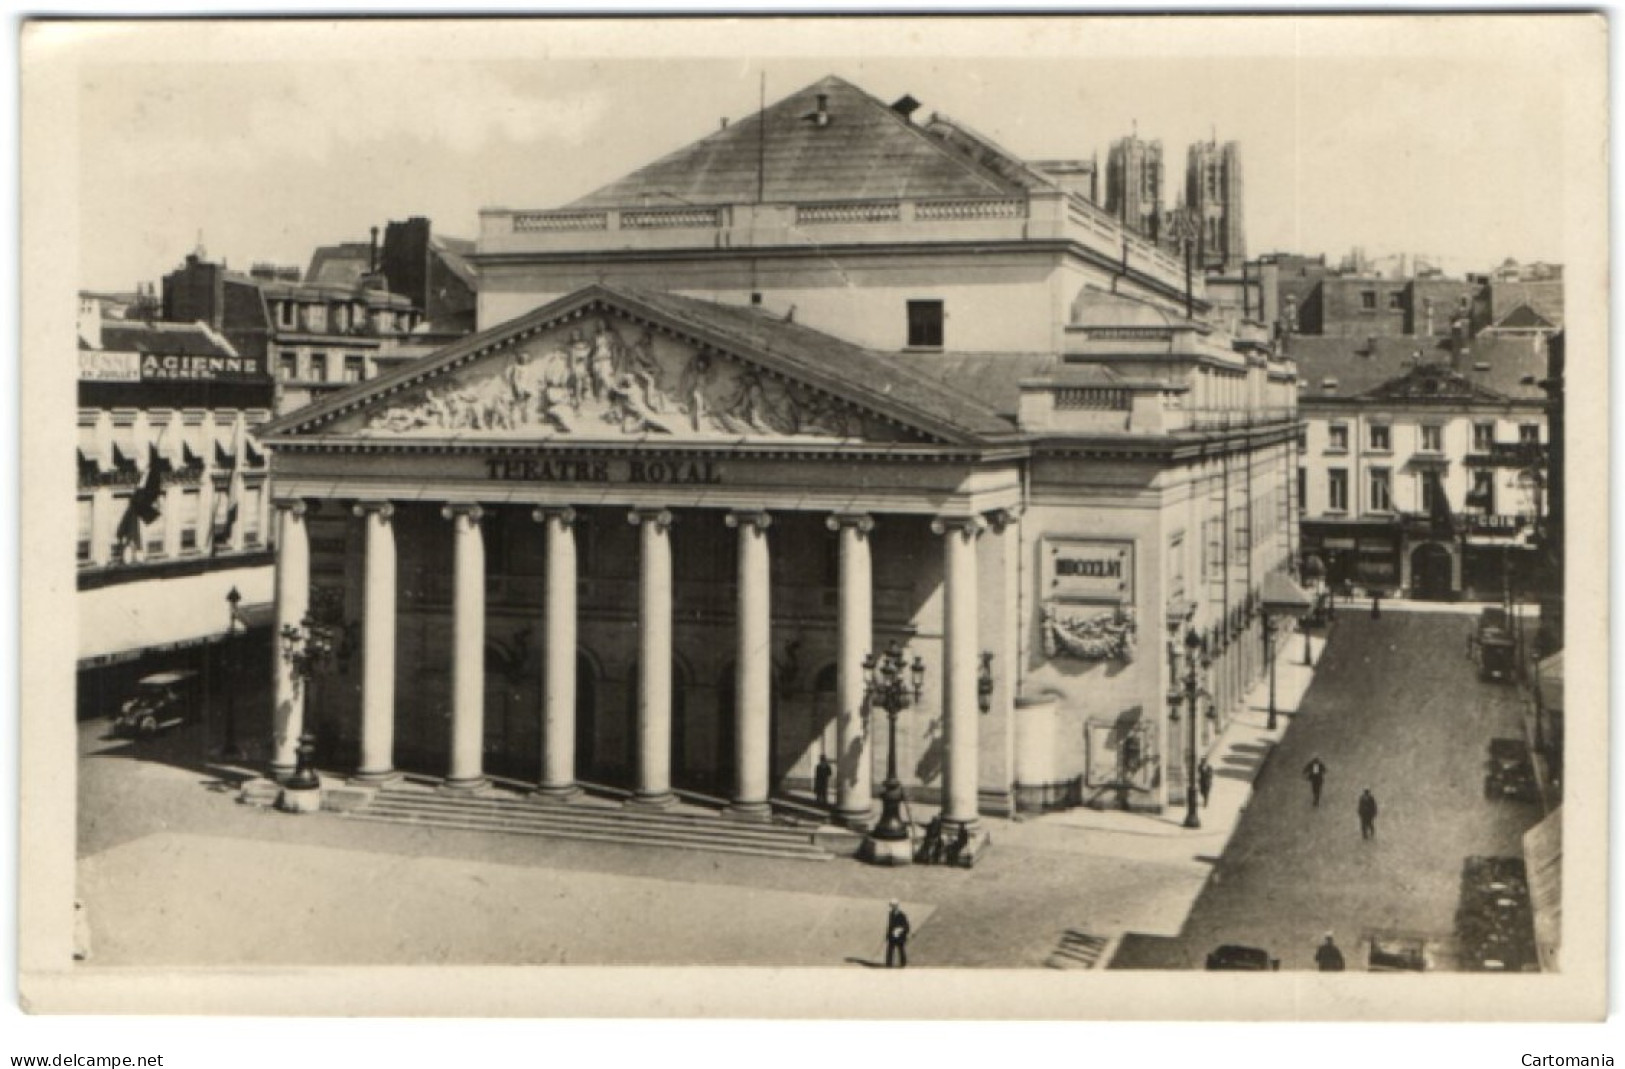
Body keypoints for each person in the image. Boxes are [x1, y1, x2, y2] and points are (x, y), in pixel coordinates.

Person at [885, 900, 911, 968]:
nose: (892, 907)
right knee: (890, 950)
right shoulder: (891, 914)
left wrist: (899, 930)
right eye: (891, 906)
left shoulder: (902, 915)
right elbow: (890, 926)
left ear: (897, 906)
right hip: (892, 936)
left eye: (894, 906)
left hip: (900, 936)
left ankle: (903, 964)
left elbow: (906, 926)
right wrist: (887, 935)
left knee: (901, 950)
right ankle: (888, 965)